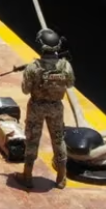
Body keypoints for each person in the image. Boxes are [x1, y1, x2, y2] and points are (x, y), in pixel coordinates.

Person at [19, 29, 75, 189]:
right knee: (58, 139)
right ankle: (61, 177)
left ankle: (27, 176)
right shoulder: (65, 66)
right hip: (56, 107)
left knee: (32, 139)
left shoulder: (33, 67)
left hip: (37, 107)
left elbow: (25, 90)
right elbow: (70, 84)